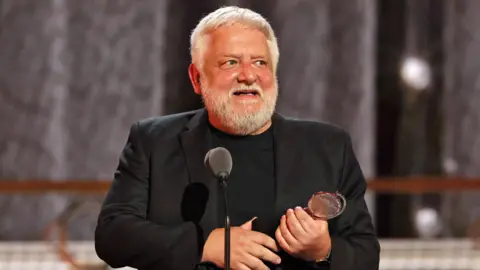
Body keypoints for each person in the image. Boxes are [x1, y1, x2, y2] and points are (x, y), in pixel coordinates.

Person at [94, 6, 380, 270]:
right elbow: (113, 234)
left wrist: (323, 250)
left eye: (259, 62)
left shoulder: (329, 146)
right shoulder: (154, 141)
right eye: (230, 62)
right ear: (196, 78)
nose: (248, 75)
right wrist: (203, 245)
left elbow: (366, 254)